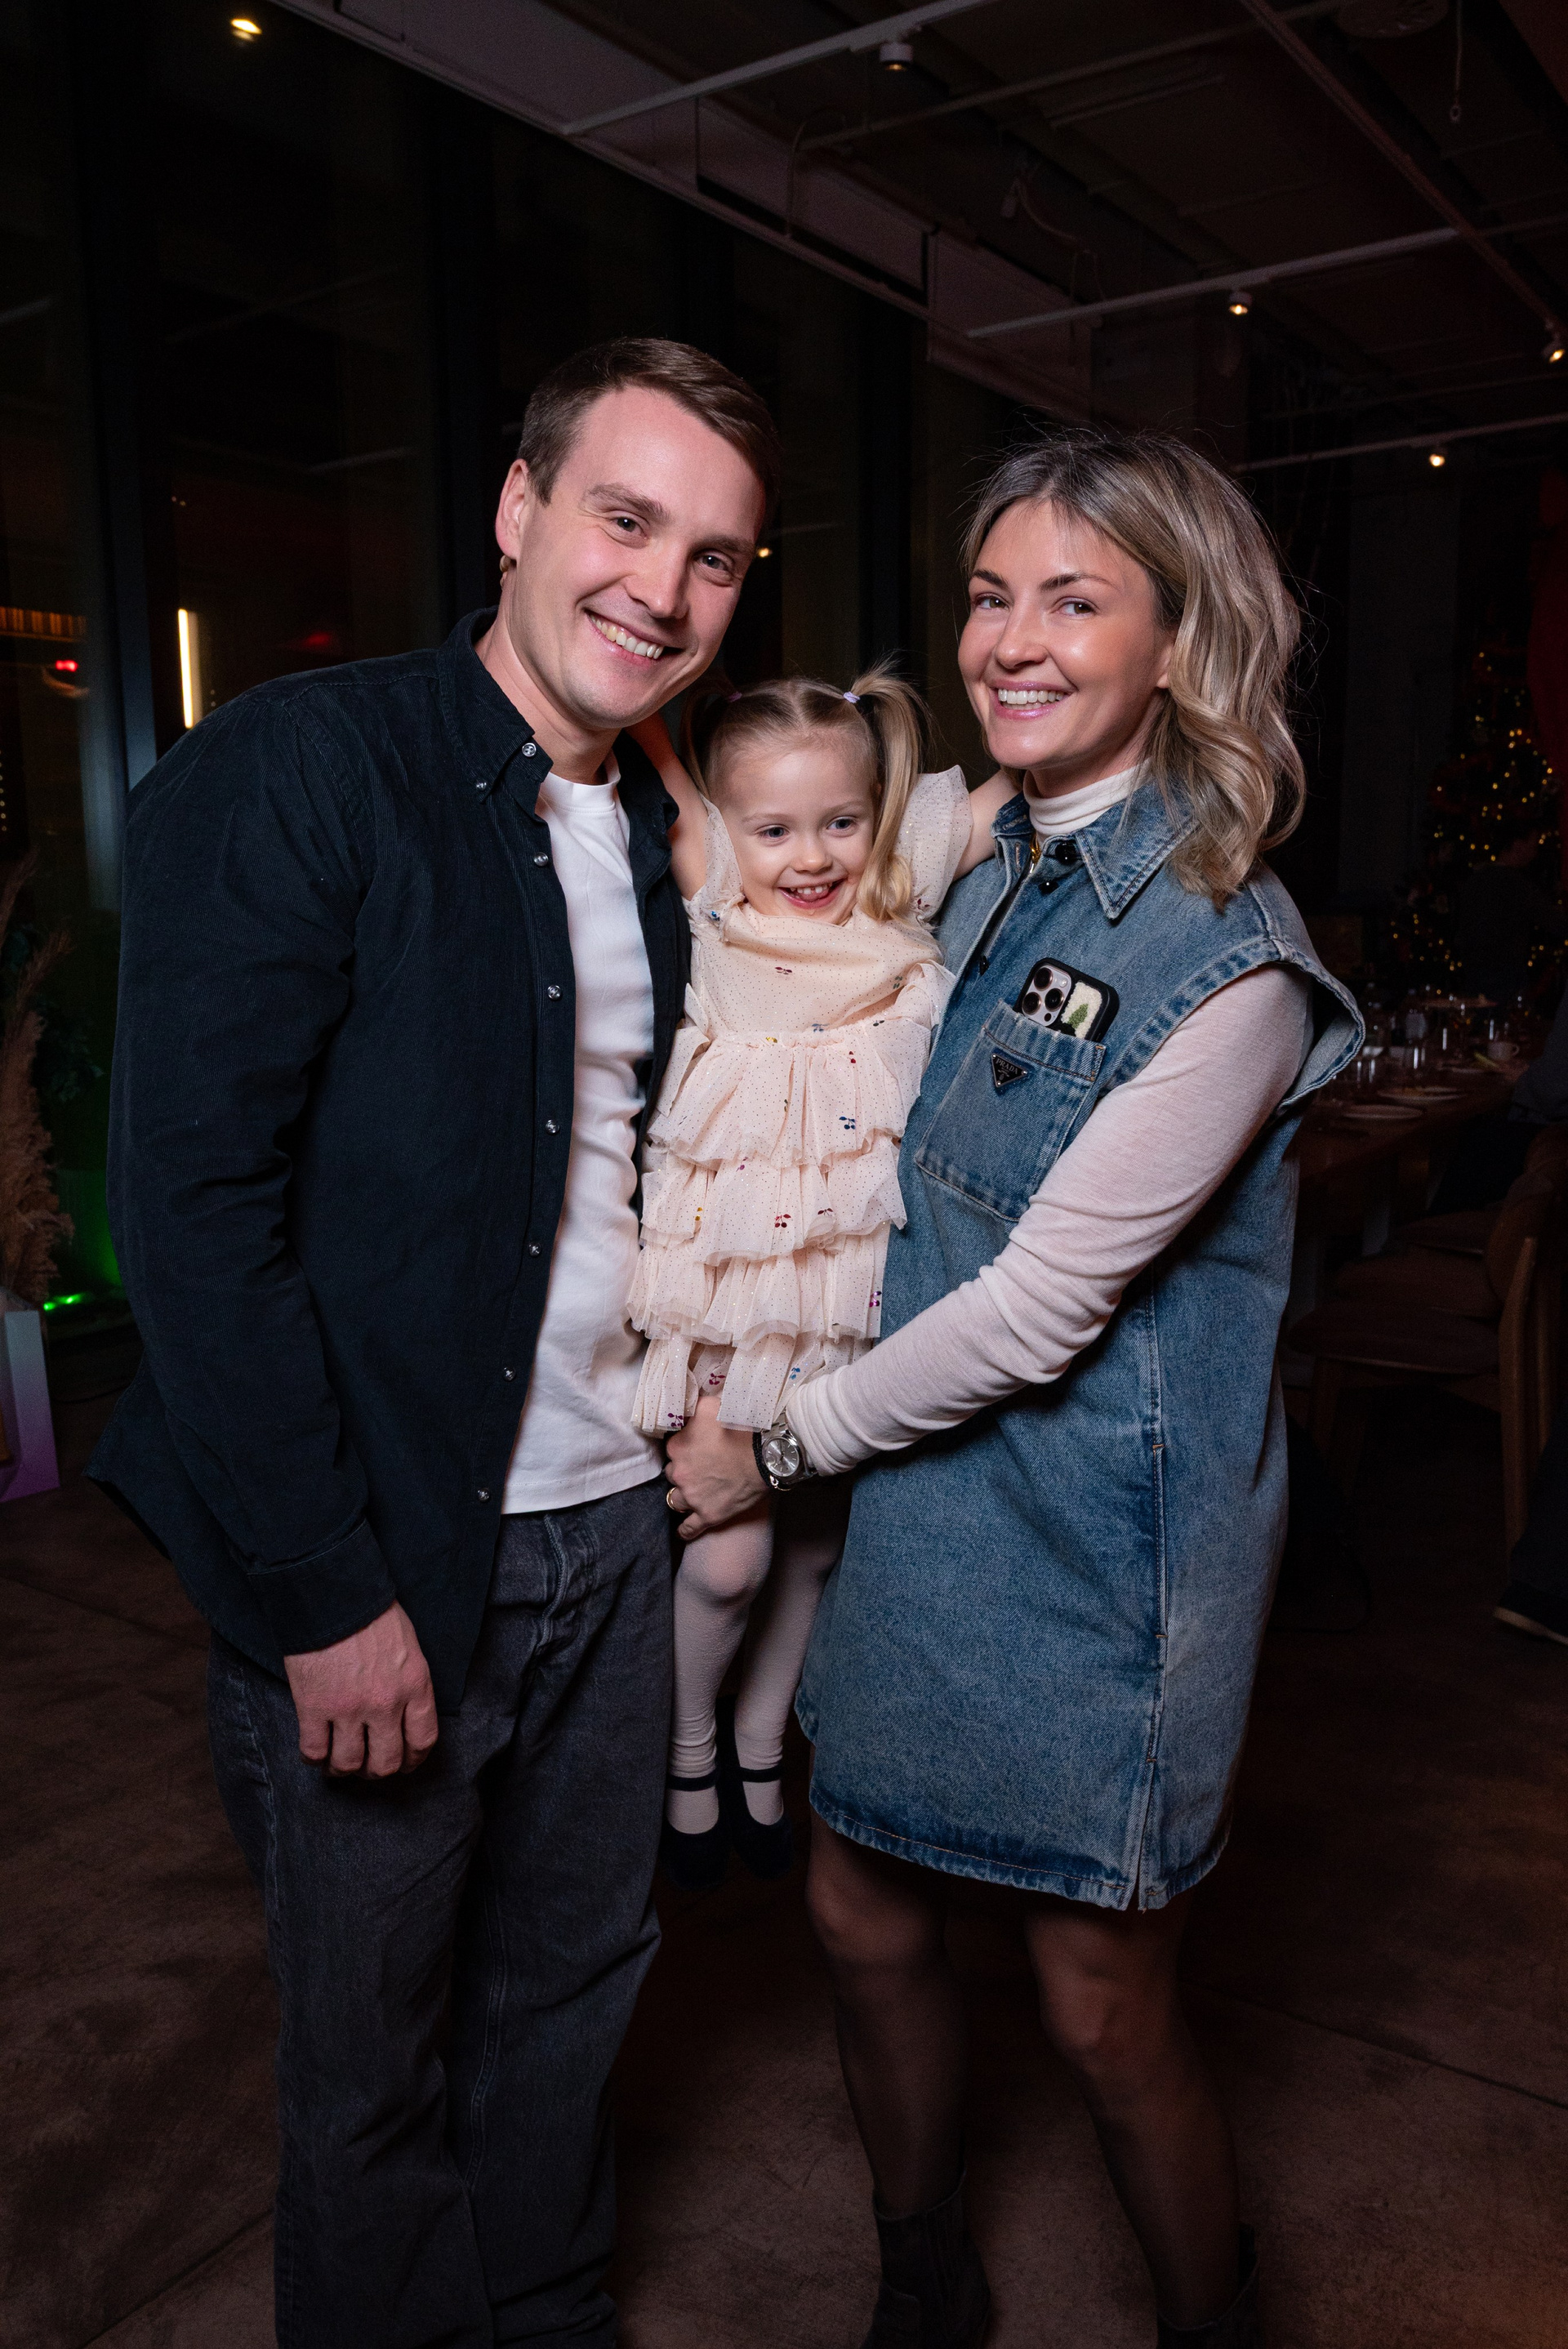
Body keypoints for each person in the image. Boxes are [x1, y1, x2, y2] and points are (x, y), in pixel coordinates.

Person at [89, 338, 780, 2348]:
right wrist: (324, 1591)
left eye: (715, 557)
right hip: (387, 1551)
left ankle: (547, 2313)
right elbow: (193, 1217)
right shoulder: (309, 767)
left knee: (571, 2000)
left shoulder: (672, 841)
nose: (661, 588)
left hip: (614, 1534)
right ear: (517, 507)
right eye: (625, 519)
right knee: (373, 2065)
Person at [666, 422, 1361, 2348]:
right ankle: (924, 2275)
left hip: (1096, 1552)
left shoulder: (1234, 961)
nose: (1013, 640)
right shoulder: (970, 861)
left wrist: (770, 1448)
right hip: (917, 1507)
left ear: (1180, 637)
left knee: (1100, 2003)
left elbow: (1044, 1306)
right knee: (856, 1910)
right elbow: (754, 863)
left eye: (1075, 599)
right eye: (990, 595)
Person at [627, 674, 1007, 1887]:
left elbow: (1029, 778)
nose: (811, 856)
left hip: (858, 1293)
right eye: (776, 828)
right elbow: (646, 735)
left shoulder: (900, 884)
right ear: (729, 828)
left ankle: (758, 1753)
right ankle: (686, 1754)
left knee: (815, 1549)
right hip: (732, 1293)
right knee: (730, 1556)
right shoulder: (716, 889)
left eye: (840, 821)